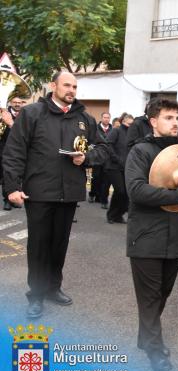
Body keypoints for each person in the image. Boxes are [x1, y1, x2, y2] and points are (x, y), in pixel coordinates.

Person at [2, 71, 109, 319]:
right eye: (66, 85)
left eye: (74, 86)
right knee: (39, 246)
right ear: (53, 86)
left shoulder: (84, 118)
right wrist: (12, 188)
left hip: (69, 193)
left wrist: (87, 157)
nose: (71, 90)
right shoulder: (32, 113)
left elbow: (103, 148)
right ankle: (36, 294)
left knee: (59, 245)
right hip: (38, 192)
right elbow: (14, 152)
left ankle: (53, 288)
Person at [125, 98, 178, 371]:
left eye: (177, 118)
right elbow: (135, 190)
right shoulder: (140, 151)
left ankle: (146, 339)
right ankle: (156, 352)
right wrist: (177, 195)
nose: (175, 123)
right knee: (149, 298)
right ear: (153, 121)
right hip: (146, 238)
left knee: (162, 295)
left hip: (175, 238)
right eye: (168, 117)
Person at [105, 113, 134, 224]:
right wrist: (116, 158)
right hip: (113, 167)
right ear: (123, 122)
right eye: (129, 123)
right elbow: (108, 144)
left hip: (125, 167)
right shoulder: (116, 131)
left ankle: (118, 215)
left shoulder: (131, 134)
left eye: (132, 124)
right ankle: (111, 215)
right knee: (120, 191)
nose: (130, 125)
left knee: (126, 193)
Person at [1, 96, 26, 210]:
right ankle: (6, 200)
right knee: (7, 174)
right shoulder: (4, 115)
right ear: (10, 103)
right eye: (14, 102)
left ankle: (17, 197)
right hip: (5, 150)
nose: (17, 104)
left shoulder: (25, 115)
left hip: (21, 150)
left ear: (22, 103)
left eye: (19, 102)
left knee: (19, 175)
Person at [89, 112, 111, 208]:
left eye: (108, 117)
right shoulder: (96, 129)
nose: (106, 119)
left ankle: (102, 199)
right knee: (96, 177)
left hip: (107, 158)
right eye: (105, 117)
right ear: (101, 118)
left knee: (105, 179)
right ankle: (92, 194)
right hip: (97, 156)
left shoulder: (112, 130)